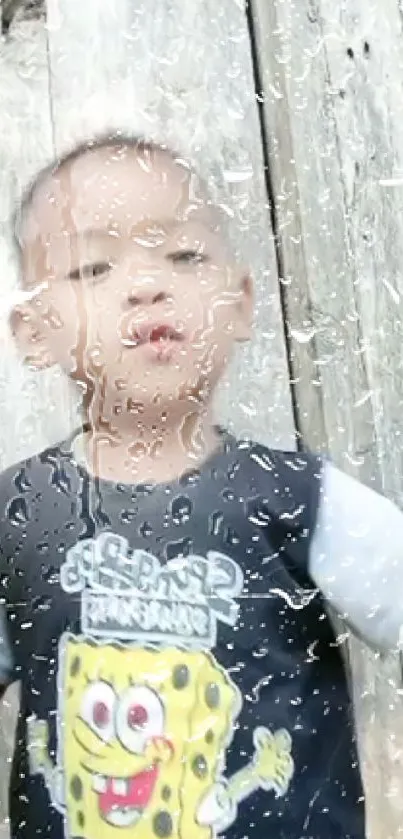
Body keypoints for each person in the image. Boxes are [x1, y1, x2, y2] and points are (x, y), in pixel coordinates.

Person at [0, 134, 402, 839]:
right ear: (35, 331)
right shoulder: (16, 515)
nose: (147, 283)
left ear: (241, 301)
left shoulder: (300, 500)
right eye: (94, 266)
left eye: (184, 256)